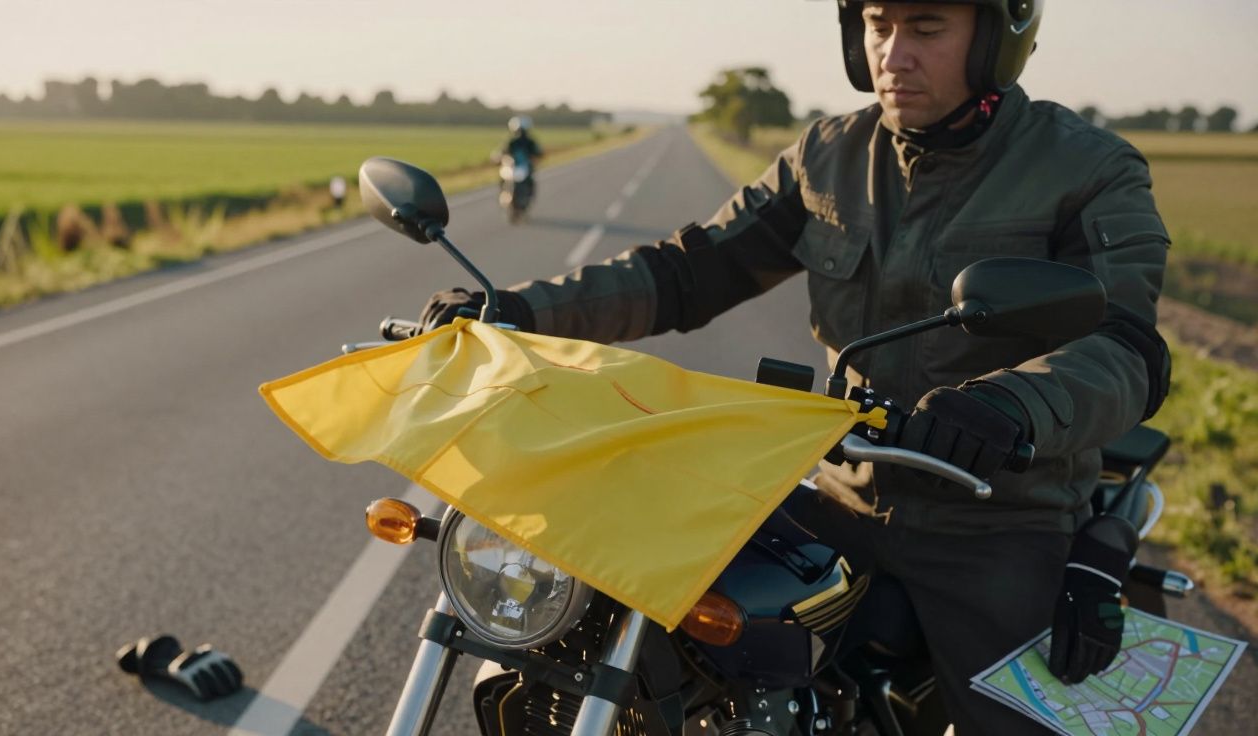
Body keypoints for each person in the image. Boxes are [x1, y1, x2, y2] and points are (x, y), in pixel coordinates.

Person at [418, 2, 1169, 732]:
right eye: (879, 24)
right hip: (836, 496)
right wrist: (517, 310)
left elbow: (1126, 347)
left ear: (997, 37)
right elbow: (686, 273)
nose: (893, 53)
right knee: (649, 626)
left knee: (1024, 722)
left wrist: (1013, 405)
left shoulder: (1086, 169)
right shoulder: (830, 156)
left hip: (996, 521)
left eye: (927, 27)